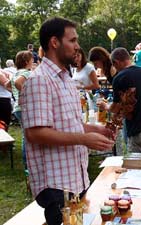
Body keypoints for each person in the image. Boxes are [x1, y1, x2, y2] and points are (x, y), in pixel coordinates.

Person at [20, 17, 115, 225]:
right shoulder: (39, 81)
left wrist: (97, 130)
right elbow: (35, 133)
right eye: (72, 40)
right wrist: (83, 139)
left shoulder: (66, 80)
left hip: (75, 177)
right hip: (55, 183)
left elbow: (70, 124)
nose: (77, 46)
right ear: (55, 42)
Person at [11, 50, 33, 173]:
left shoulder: (15, 73)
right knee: (28, 137)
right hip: (24, 108)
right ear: (26, 61)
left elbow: (9, 85)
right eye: (31, 59)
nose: (33, 61)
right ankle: (27, 165)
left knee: (26, 135)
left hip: (18, 108)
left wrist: (17, 95)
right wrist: (25, 94)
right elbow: (17, 83)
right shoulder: (26, 72)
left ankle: (28, 164)